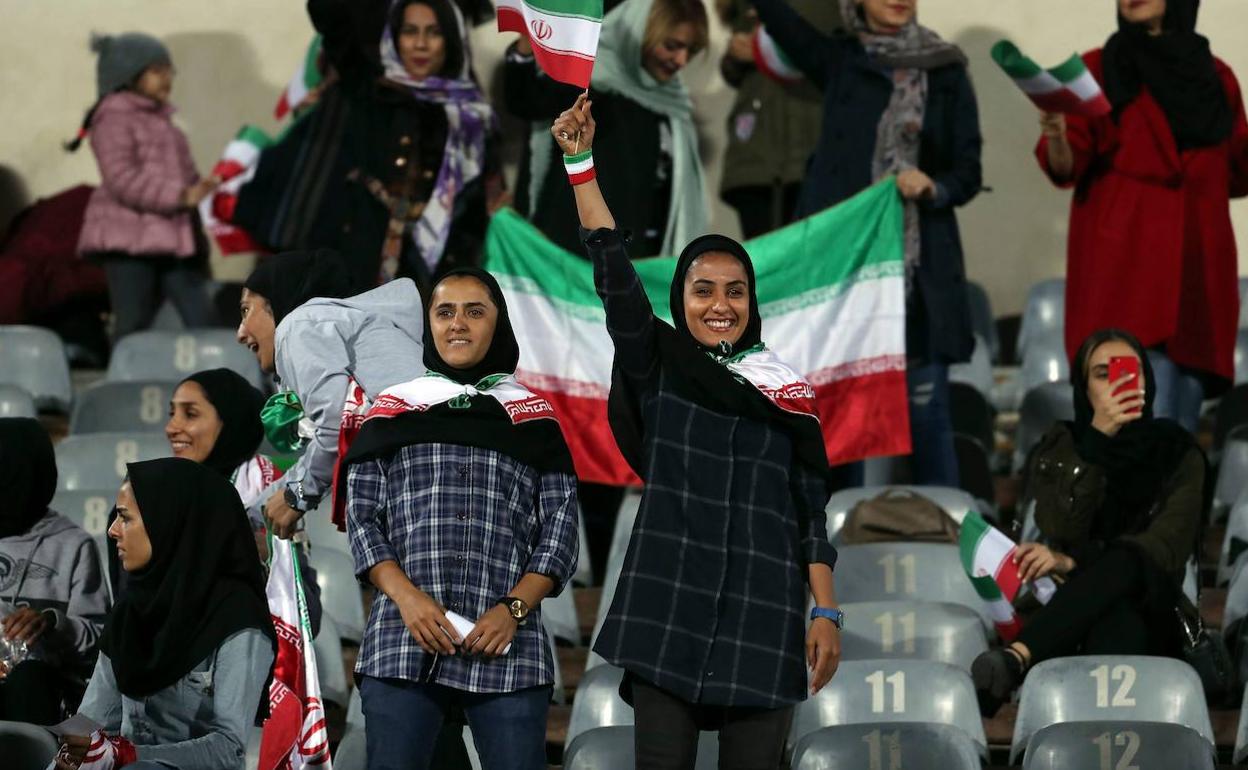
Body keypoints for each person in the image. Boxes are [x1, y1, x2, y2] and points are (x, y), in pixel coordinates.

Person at [552, 96, 840, 768]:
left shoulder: (786, 391)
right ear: (681, 299)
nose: (720, 305)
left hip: (764, 615)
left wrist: (825, 611)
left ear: (752, 302)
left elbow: (810, 511)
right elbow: (613, 272)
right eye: (703, 290)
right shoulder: (657, 365)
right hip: (667, 606)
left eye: (735, 291)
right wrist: (581, 165)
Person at [343, 267, 579, 770]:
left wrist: (512, 610)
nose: (458, 324)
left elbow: (560, 531)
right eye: (444, 312)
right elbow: (362, 519)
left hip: (509, 646)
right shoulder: (392, 410)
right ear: (428, 324)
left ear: (499, 324)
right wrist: (409, 600)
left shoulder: (533, 417)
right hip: (403, 640)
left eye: (475, 312)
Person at [750, 0, 983, 486]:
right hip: (846, 271)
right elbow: (784, 23)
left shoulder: (946, 69)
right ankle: (836, 531)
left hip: (919, 273)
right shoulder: (842, 60)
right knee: (840, 414)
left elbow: (967, 170)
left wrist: (933, 187)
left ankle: (944, 528)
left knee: (927, 413)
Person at [1036, 0, 1248, 433]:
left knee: (1179, 435)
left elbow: (1239, 172)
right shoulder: (1095, 71)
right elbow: (1065, 165)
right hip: (1124, 285)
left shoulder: (1216, 77)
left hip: (1196, 287)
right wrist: (1055, 135)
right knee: (1138, 431)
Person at [972, 328, 1204, 714]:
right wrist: (1096, 442)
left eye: (1128, 371)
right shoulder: (1061, 447)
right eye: (1101, 374)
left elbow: (1164, 548)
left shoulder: (1179, 451)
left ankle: (1018, 657)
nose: (1116, 383)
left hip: (1156, 602)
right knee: (1115, 615)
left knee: (1130, 567)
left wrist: (1073, 561)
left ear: (1146, 380)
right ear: (1083, 389)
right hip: (1065, 601)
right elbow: (1060, 527)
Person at [234, 0, 501, 291]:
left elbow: (478, 207)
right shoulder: (370, 90)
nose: (421, 44)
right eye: (409, 31)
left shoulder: (472, 117)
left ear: (451, 40)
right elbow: (332, 17)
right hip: (358, 264)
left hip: (431, 277)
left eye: (434, 33)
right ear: (394, 37)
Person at [53, 459, 276, 770]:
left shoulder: (239, 620)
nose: (112, 530)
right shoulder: (132, 609)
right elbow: (92, 720)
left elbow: (229, 749)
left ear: (168, 524)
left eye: (125, 518)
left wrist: (129, 756)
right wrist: (68, 757)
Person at [236, 248, 425, 538]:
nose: (240, 333)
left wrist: (296, 496)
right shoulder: (332, 324)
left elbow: (334, 428)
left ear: (277, 299)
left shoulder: (298, 325)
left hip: (424, 472)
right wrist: (252, 515)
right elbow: (332, 439)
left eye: (246, 310)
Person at [503, 0, 709, 257]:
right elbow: (526, 99)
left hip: (638, 261)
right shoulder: (590, 79)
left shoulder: (673, 104)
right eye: (671, 46)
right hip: (570, 257)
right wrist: (526, 38)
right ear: (642, 31)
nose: (681, 60)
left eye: (691, 50)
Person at [70, 32, 220, 342]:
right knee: (132, 322)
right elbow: (122, 179)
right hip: (130, 245)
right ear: (127, 76)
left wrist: (204, 189)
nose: (167, 78)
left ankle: (215, 371)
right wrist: (180, 197)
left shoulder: (166, 126)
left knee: (202, 317)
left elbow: (186, 176)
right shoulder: (113, 120)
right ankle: (122, 372)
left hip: (174, 241)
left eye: (169, 70)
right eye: (156, 71)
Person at [0, 418, 109, 724]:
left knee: (29, 680)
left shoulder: (73, 545)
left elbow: (99, 643)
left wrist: (52, 623)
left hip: (43, 690)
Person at [716, 0, 841, 238]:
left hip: (810, 145)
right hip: (755, 154)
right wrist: (735, 55)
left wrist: (767, 52)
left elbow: (835, 56)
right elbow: (735, 74)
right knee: (761, 254)